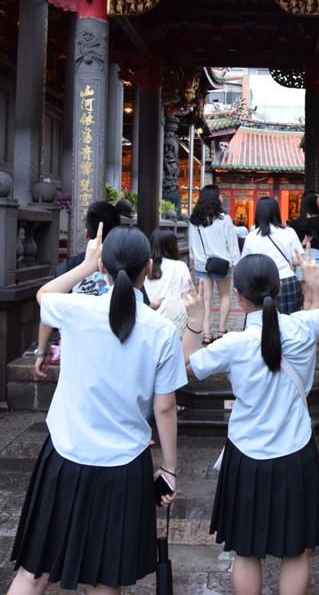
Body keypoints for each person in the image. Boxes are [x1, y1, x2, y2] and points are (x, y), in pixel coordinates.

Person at [8, 224, 202, 595]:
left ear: (103, 268)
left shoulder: (76, 309)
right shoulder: (161, 331)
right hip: (123, 465)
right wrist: (169, 468)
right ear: (149, 267)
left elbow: (44, 295)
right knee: (105, 578)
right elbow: (164, 408)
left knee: (34, 571)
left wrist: (85, 264)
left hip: (65, 454)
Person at [186, 248, 319, 595]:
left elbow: (185, 365)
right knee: (295, 549)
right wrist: (317, 283)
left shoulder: (232, 344)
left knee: (246, 551)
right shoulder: (304, 326)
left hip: (245, 455)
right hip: (296, 452)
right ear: (279, 289)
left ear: (238, 296)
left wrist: (195, 320)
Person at [35, 201, 121, 376]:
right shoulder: (126, 265)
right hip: (115, 355)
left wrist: (41, 352)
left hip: (75, 356)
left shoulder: (69, 267)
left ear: (86, 233)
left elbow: (48, 306)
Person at [189, 184, 240, 344]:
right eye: (220, 194)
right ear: (215, 198)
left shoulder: (194, 220)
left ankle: (207, 334)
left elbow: (192, 244)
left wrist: (195, 259)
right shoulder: (224, 219)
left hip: (202, 264)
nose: (221, 197)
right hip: (221, 264)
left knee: (205, 300)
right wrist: (236, 262)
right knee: (225, 295)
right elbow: (232, 243)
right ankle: (221, 330)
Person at [241, 196, 304, 314]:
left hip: (262, 284)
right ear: (276, 212)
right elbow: (297, 260)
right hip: (287, 281)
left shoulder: (251, 237)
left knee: (264, 320)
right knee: (290, 319)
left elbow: (245, 263)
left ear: (258, 213)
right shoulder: (289, 232)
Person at [144, 227, 193, 337]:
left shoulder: (146, 267)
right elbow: (187, 296)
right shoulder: (180, 266)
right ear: (172, 246)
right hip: (173, 324)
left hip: (149, 322)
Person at [290, 191, 319, 309]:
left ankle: (306, 319)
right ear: (313, 203)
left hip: (302, 259)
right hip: (318, 260)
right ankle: (314, 321)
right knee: (317, 298)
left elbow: (294, 246)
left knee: (306, 298)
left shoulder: (296, 223)